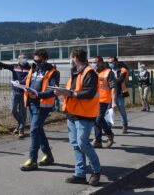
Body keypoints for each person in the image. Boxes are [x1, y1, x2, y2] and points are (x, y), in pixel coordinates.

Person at [55, 48, 101, 186]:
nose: (70, 59)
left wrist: (70, 94)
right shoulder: (75, 72)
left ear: (75, 58)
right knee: (75, 145)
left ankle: (96, 170)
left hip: (85, 114)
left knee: (82, 143)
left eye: (71, 57)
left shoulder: (89, 72)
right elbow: (73, 90)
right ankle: (80, 174)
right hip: (72, 113)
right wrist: (63, 91)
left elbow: (89, 92)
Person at [19, 49, 59, 171]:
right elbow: (27, 81)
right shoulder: (34, 69)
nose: (36, 62)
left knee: (34, 130)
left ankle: (32, 160)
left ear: (45, 59)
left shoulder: (53, 72)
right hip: (31, 104)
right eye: (35, 60)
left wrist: (38, 95)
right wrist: (19, 83)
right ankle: (48, 155)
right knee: (38, 130)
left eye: (39, 60)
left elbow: (53, 90)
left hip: (42, 106)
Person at [0, 54, 30, 138]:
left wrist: (23, 82)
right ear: (19, 59)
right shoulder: (14, 67)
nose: (25, 59)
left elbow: (30, 78)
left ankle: (21, 130)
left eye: (26, 58)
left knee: (23, 112)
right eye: (23, 58)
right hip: (15, 91)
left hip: (25, 93)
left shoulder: (30, 68)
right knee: (13, 110)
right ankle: (20, 124)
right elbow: (3, 65)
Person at [90, 56, 117, 148]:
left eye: (96, 62)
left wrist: (113, 102)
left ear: (101, 62)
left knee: (98, 119)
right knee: (95, 120)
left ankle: (109, 134)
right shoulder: (93, 72)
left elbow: (113, 88)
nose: (94, 64)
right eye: (93, 62)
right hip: (94, 100)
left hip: (104, 100)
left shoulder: (108, 73)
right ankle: (98, 141)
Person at [108, 56, 129, 133]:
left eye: (111, 62)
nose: (110, 64)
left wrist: (110, 82)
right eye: (109, 62)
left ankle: (124, 125)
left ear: (116, 62)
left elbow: (119, 81)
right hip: (110, 94)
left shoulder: (123, 70)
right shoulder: (108, 71)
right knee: (110, 110)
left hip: (120, 93)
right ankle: (108, 127)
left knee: (121, 110)